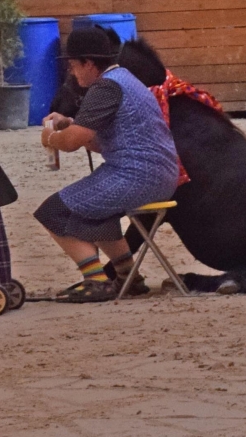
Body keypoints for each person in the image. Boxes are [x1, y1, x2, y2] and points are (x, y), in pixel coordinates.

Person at [36, 28, 180, 302]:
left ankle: (96, 280)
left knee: (53, 211)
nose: (72, 73)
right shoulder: (124, 79)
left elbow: (73, 142)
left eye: (74, 65)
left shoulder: (105, 87)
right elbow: (97, 140)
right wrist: (70, 125)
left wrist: (52, 136)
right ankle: (128, 276)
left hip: (137, 175)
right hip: (158, 174)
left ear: (89, 63)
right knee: (97, 212)